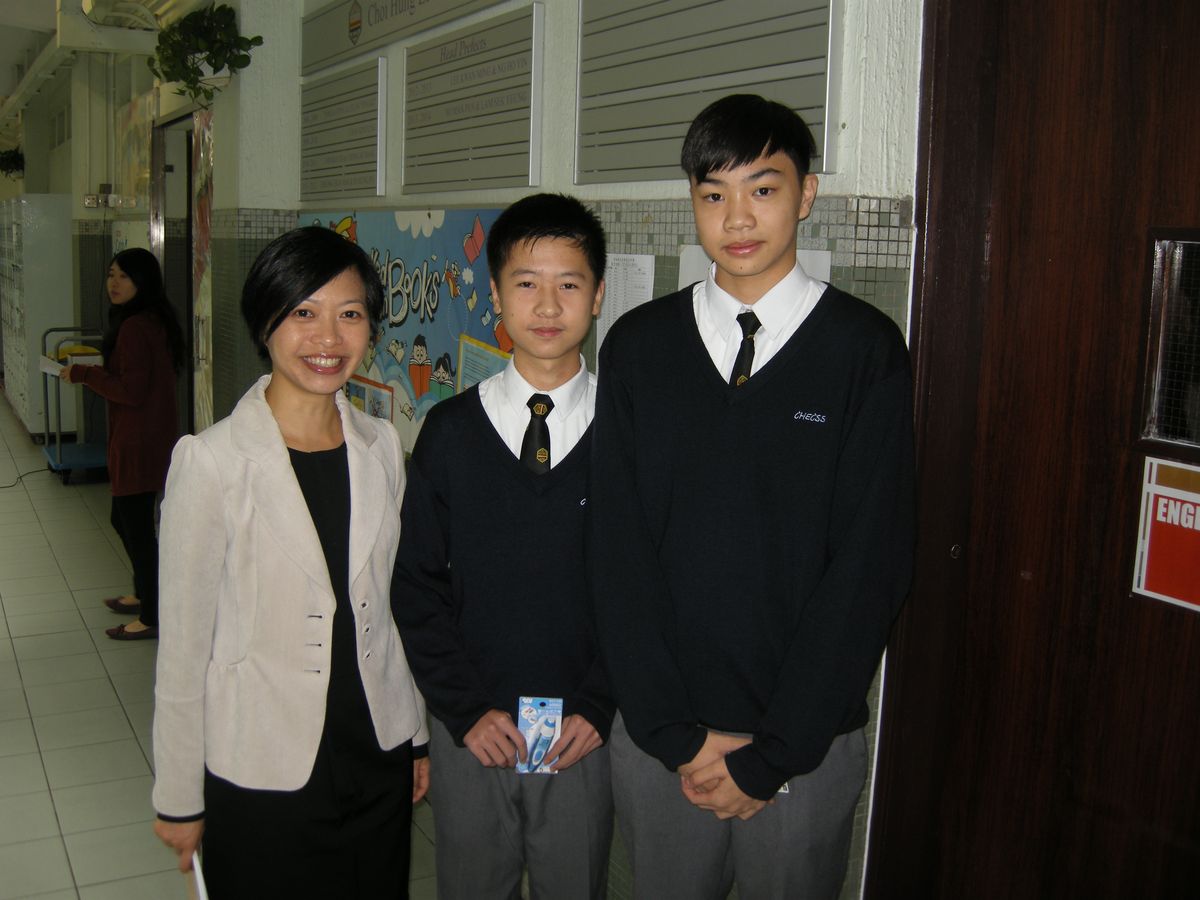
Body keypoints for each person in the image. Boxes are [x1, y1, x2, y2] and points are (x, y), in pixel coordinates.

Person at [588, 94, 916, 898]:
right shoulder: (639, 347)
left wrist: (775, 753)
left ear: (806, 195)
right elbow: (616, 550)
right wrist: (671, 731)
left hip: (804, 744)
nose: (737, 217)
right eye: (714, 193)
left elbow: (870, 567)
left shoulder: (864, 351)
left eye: (763, 189)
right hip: (664, 744)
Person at [151, 227, 430, 898]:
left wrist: (415, 734)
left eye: (350, 313)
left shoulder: (381, 447)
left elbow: (388, 610)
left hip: (376, 752)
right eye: (304, 312)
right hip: (262, 769)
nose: (327, 337)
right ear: (266, 322)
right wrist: (179, 797)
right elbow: (184, 649)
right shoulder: (211, 462)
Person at [392, 193, 614, 899]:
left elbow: (648, 588)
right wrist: (463, 708)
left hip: (581, 731)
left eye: (569, 284)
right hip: (474, 729)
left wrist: (600, 702)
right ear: (494, 295)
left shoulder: (629, 434)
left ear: (598, 295)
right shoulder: (450, 432)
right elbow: (416, 585)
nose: (547, 305)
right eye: (526, 283)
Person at [61, 247, 184, 641]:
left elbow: (130, 392)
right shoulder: (152, 318)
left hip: (138, 439)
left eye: (124, 276)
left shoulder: (134, 327)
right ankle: (145, 593)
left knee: (137, 529)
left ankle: (151, 615)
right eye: (111, 274)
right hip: (150, 434)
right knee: (125, 519)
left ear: (142, 282)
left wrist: (84, 374)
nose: (113, 283)